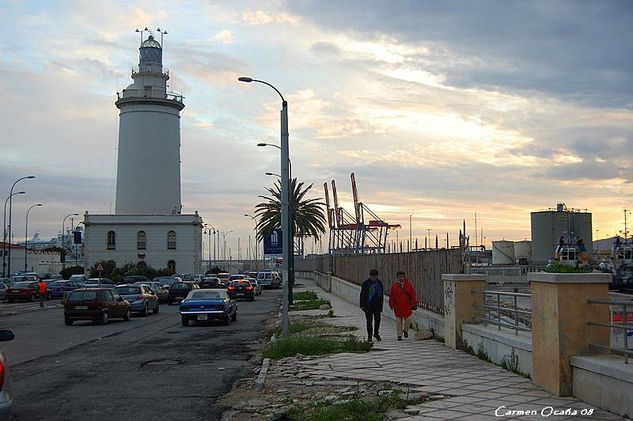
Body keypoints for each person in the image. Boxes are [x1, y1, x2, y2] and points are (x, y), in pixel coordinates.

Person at [388, 271, 418, 341]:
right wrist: (391, 304)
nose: (401, 278)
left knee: (408, 319)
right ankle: (399, 335)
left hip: (407, 306)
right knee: (398, 322)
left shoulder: (408, 284)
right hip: (398, 306)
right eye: (399, 277)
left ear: (404, 277)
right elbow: (392, 296)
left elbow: (412, 294)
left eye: (402, 276)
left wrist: (413, 303)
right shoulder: (394, 286)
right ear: (397, 277)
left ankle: (405, 330)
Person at [359, 269, 384, 342]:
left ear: (377, 276)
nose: (373, 278)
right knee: (369, 321)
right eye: (372, 276)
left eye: (375, 276)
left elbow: (381, 295)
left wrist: (381, 306)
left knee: (378, 319)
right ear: (370, 276)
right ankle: (369, 335)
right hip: (368, 305)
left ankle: (376, 333)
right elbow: (362, 294)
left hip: (377, 305)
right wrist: (362, 305)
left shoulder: (379, 283)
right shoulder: (366, 283)